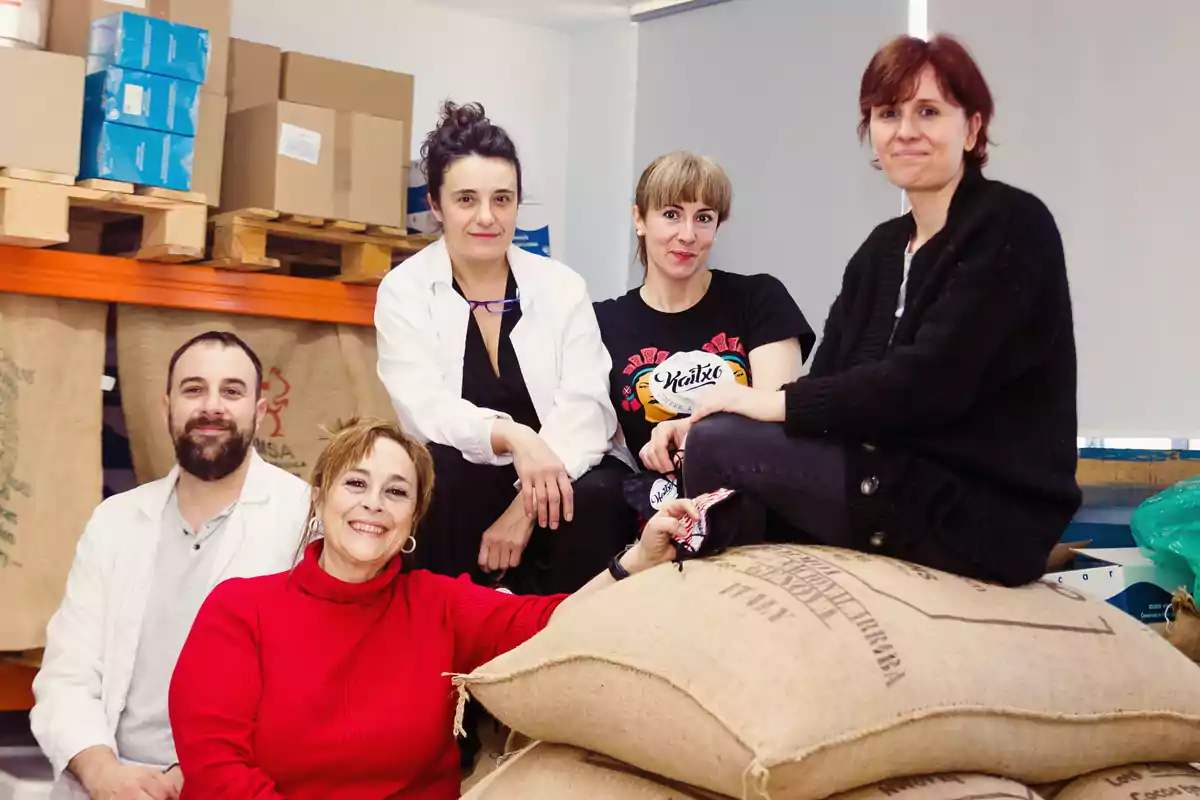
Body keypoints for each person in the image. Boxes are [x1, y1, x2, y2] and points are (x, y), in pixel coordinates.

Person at [672, 34, 1082, 587]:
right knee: (714, 433)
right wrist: (726, 413)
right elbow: (835, 383)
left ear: (974, 127)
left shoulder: (1012, 226)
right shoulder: (882, 250)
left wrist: (763, 402)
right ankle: (739, 615)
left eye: (929, 111)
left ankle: (725, 611)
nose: (906, 130)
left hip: (979, 514)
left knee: (723, 443)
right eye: (889, 113)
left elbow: (930, 383)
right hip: (885, 478)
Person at [168, 417, 693, 799]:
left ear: (412, 518)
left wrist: (638, 558)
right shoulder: (240, 608)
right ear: (321, 496)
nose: (374, 503)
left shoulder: (439, 605)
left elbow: (548, 623)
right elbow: (217, 769)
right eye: (356, 483)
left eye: (396, 492)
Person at [30, 332, 310, 800]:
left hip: (238, 780)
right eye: (194, 389)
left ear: (259, 413)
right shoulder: (115, 520)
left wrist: (205, 768)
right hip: (109, 781)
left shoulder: (304, 518)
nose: (212, 406)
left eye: (232, 391)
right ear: (167, 407)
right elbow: (67, 673)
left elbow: (306, 682)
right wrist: (102, 773)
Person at [374, 101, 636, 597]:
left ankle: (559, 648)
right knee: (443, 475)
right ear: (436, 204)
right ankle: (453, 650)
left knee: (600, 495)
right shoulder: (404, 290)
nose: (487, 218)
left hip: (559, 473)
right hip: (466, 475)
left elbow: (587, 407)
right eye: (466, 199)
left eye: (503, 199)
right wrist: (514, 437)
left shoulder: (561, 286)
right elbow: (424, 408)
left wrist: (524, 506)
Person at [594, 152, 814, 496]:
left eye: (704, 218)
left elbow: (776, 414)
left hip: (752, 497)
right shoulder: (603, 322)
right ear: (639, 219)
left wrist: (691, 429)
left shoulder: (758, 298)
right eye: (671, 214)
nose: (687, 234)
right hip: (656, 508)